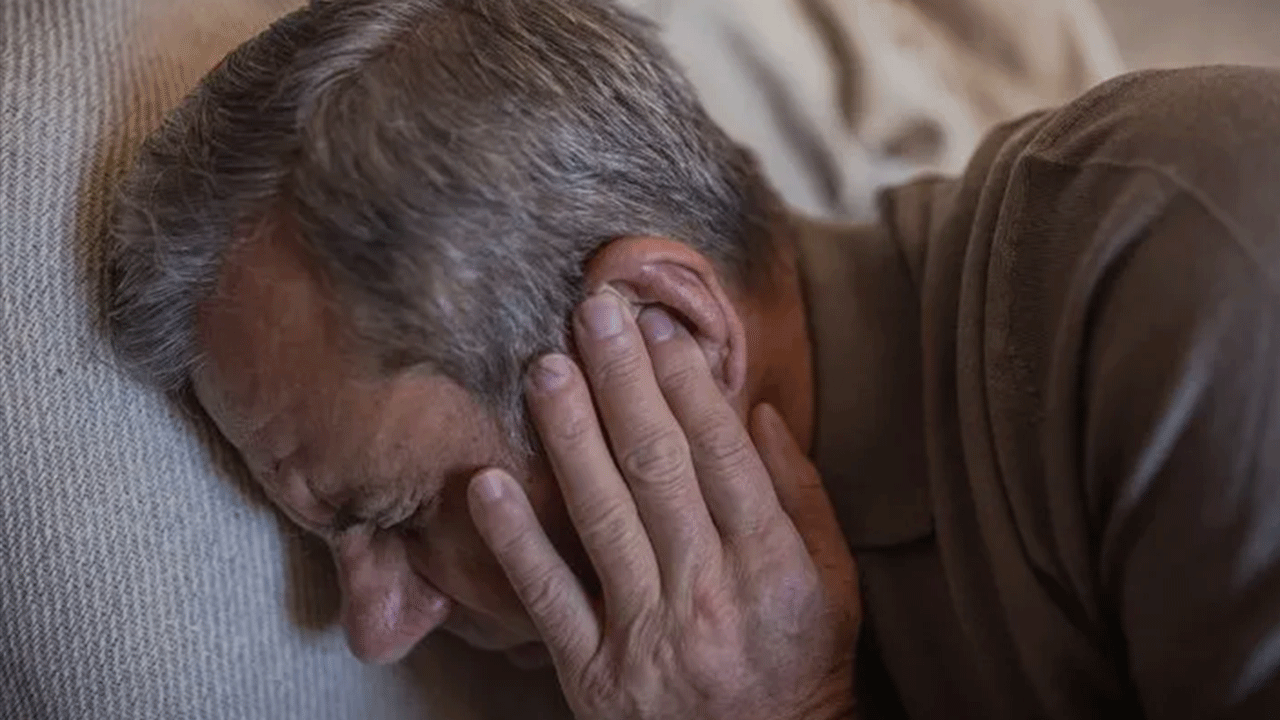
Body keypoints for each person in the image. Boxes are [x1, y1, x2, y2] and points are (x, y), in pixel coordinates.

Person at [104, 0, 1280, 718]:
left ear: (661, 330)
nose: (373, 625)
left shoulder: (1191, 272)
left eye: (398, 516)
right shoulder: (647, 657)